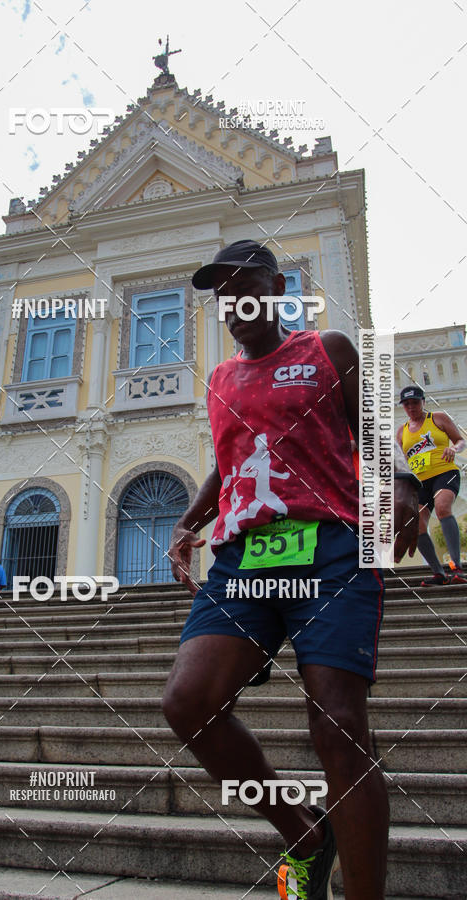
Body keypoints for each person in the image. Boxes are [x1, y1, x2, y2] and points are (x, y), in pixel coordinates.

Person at [163, 240, 419, 900]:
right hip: (245, 561)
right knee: (187, 703)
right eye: (224, 296)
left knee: (338, 725)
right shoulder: (221, 381)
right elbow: (231, 459)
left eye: (246, 286)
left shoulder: (326, 351)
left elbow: (369, 433)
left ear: (278, 286)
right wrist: (192, 520)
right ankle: (303, 833)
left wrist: (407, 486)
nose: (235, 304)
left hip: (330, 549)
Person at [396, 385, 466, 586]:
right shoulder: (402, 431)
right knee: (416, 525)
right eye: (407, 404)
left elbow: (461, 441)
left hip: (444, 472)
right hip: (420, 482)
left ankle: (457, 567)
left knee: (443, 508)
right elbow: (400, 461)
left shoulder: (437, 418)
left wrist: (454, 449)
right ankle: (438, 573)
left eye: (415, 402)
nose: (411, 407)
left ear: (423, 402)